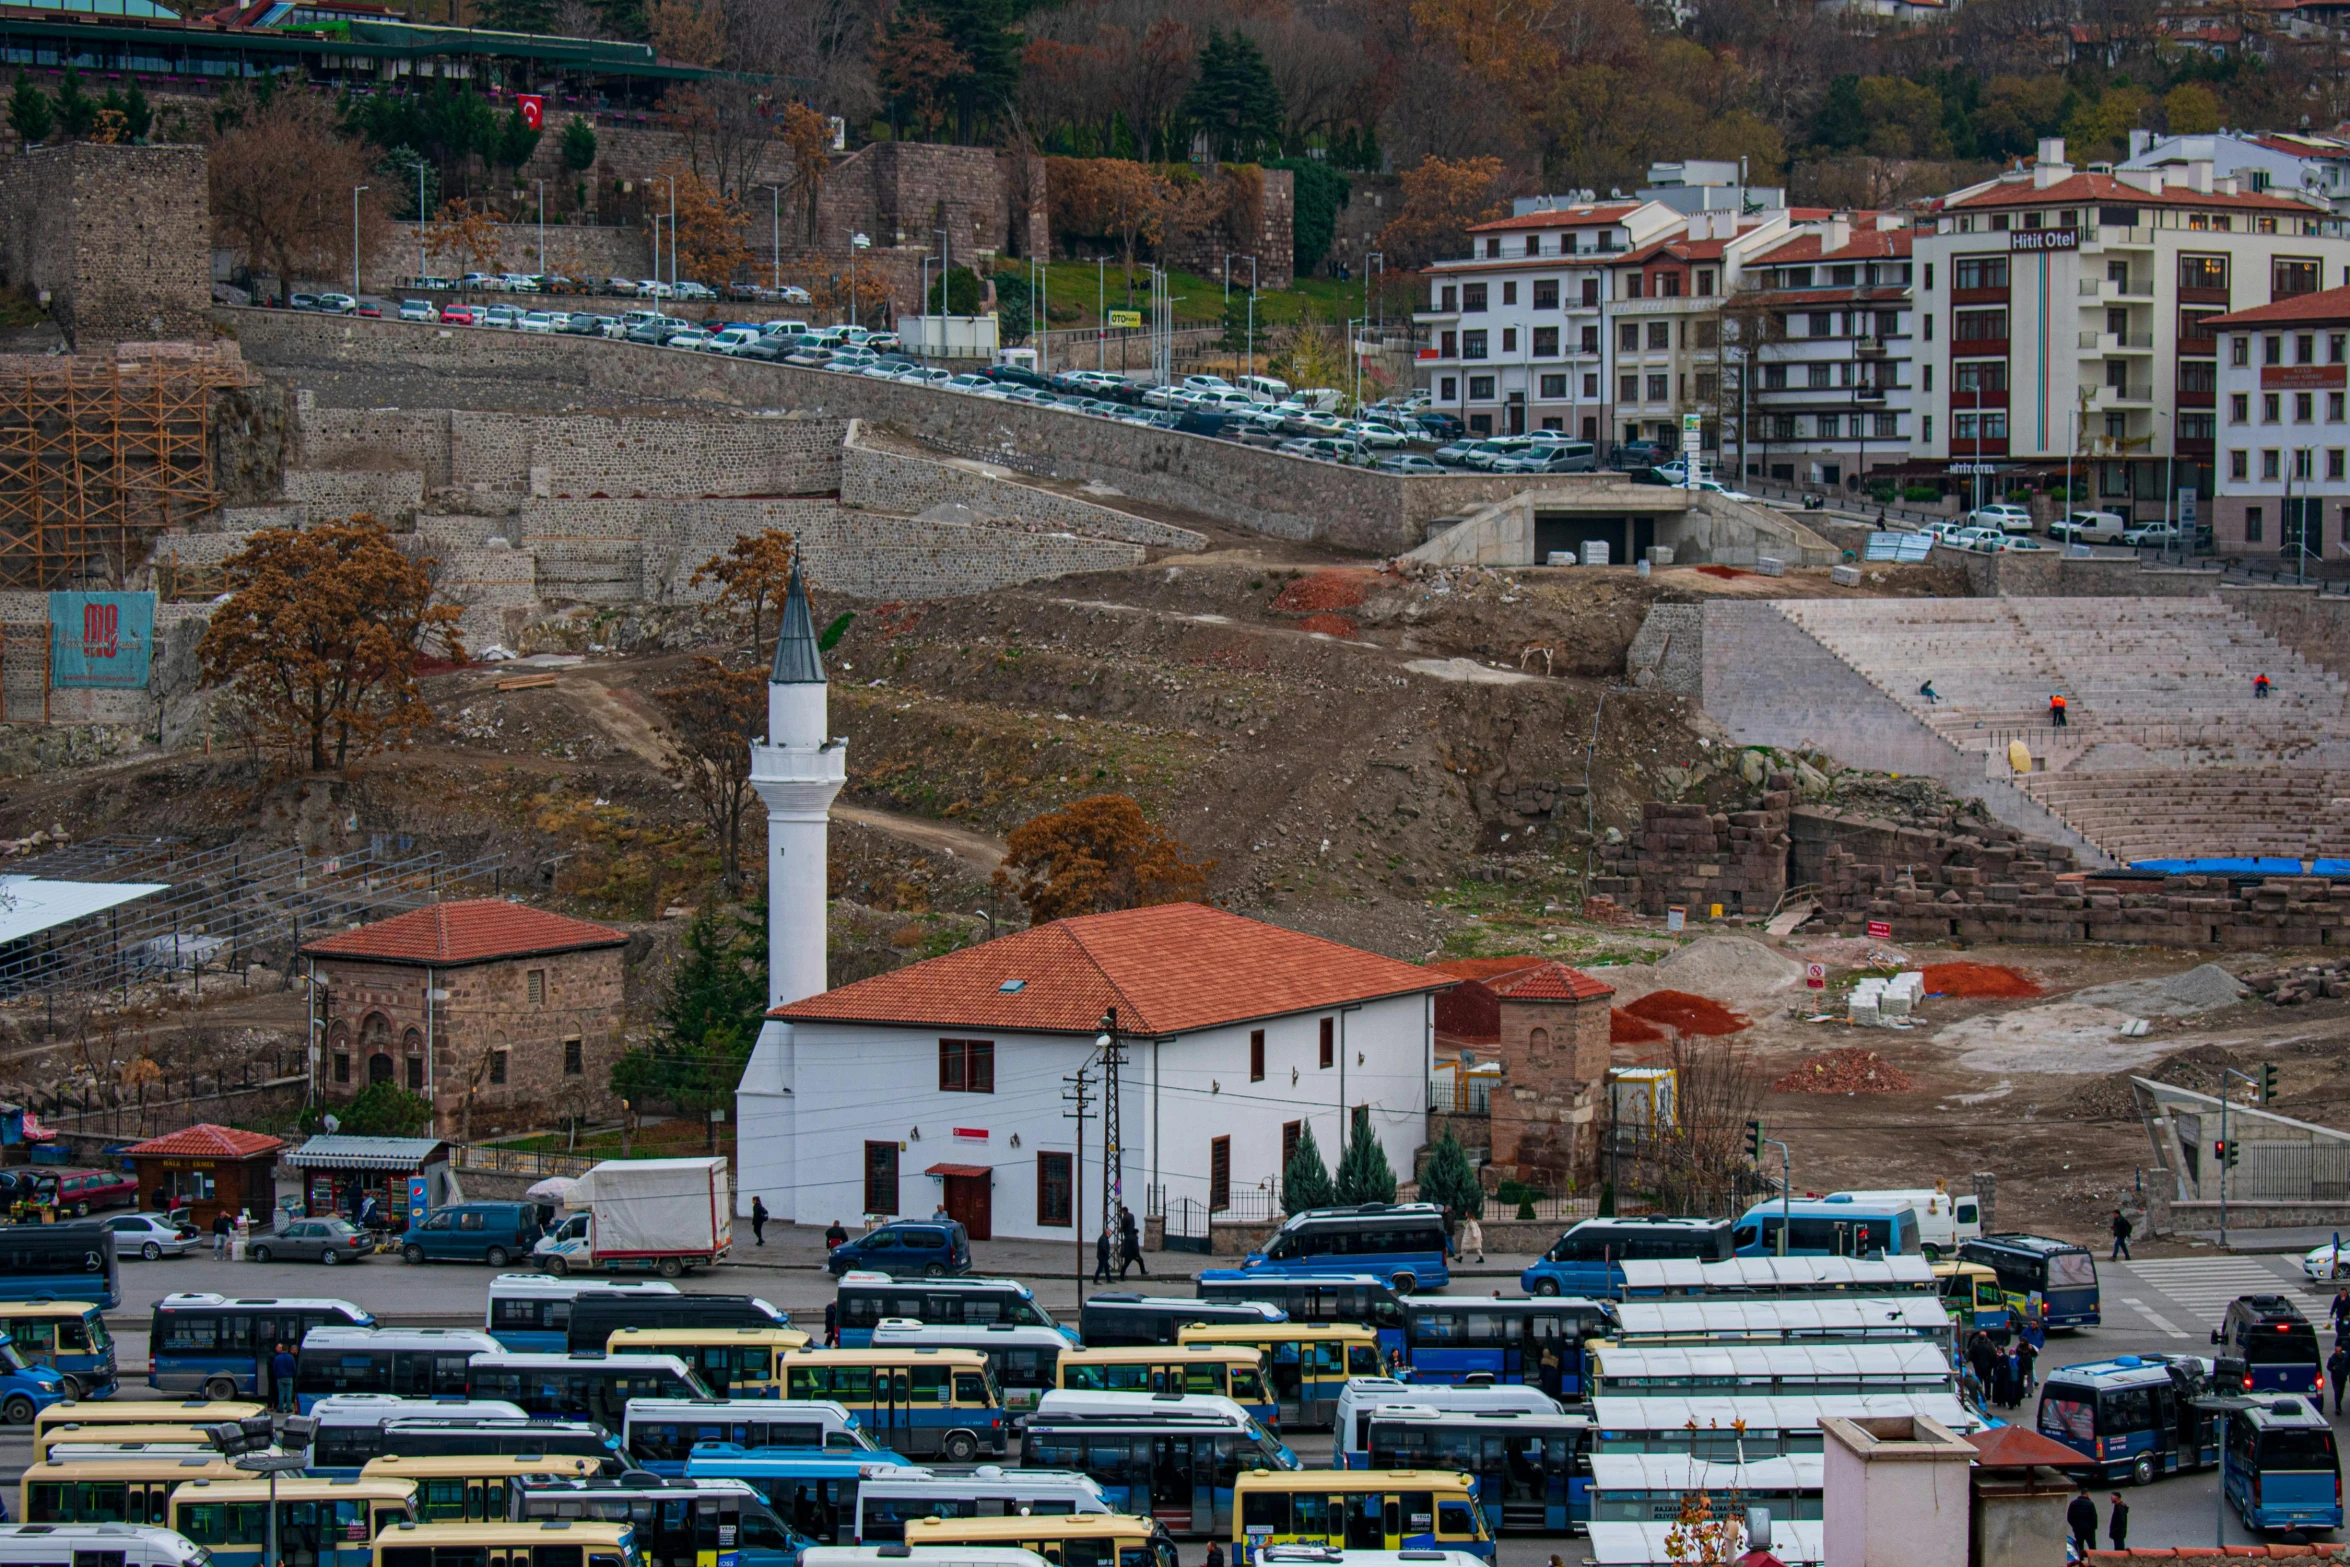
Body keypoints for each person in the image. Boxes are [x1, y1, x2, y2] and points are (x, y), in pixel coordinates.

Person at [2066, 1487, 2098, 1561]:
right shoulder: (2090, 1504)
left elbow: (2069, 1517)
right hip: (2089, 1530)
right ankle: (2093, 1561)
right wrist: (2093, 1528)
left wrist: (2074, 1526)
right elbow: (2094, 1517)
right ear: (2087, 1494)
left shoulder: (2073, 1503)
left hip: (2078, 1530)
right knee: (2092, 1546)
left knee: (2080, 1546)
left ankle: (2081, 1561)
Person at [1118, 1207, 1148, 1279]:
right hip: (1132, 1254)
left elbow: (1122, 1228)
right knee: (1136, 1261)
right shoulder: (1131, 1216)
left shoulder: (1125, 1218)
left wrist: (1120, 1229)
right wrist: (1137, 1254)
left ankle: (1122, 1276)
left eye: (1122, 1212)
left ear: (1124, 1211)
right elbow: (1135, 1247)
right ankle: (1143, 1271)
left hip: (1129, 1250)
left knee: (1127, 1264)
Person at [271, 1342, 297, 1414]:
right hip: (289, 1377)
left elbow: (274, 1368)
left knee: (281, 1393)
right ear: (287, 1349)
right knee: (289, 1393)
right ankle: (289, 1408)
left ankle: (280, 1408)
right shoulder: (291, 1357)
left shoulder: (277, 1358)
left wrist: (277, 1375)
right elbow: (294, 1368)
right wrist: (292, 1374)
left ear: (281, 1349)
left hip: (280, 1378)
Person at [2329, 1341, 2348, 1416]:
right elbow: (2328, 1367)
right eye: (2337, 1351)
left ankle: (2338, 1403)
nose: (2338, 1353)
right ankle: (2338, 1407)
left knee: (2341, 1393)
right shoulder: (2333, 1358)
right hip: (2335, 1378)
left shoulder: (2345, 1358)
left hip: (2343, 1378)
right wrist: (2333, 1368)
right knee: (2337, 1392)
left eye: (2339, 1351)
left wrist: (2346, 1373)